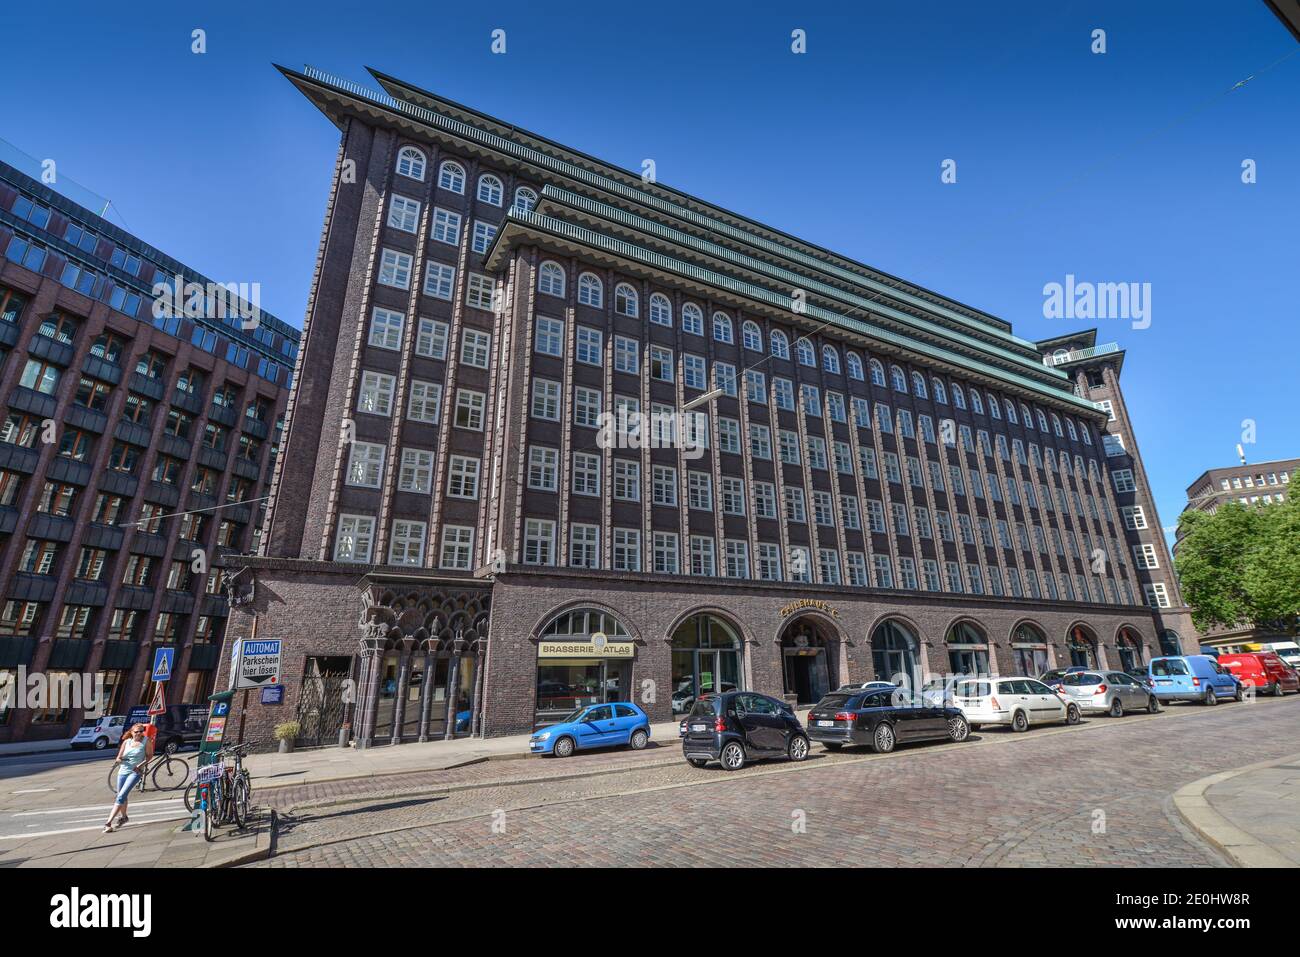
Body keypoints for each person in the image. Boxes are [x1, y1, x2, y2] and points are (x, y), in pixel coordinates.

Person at [104, 723, 152, 832]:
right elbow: (118, 757)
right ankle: (124, 817)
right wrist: (120, 760)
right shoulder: (127, 742)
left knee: (120, 796)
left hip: (135, 772)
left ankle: (108, 823)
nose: (139, 733)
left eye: (141, 731)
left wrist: (140, 765)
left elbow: (149, 756)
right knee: (122, 795)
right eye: (137, 732)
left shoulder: (146, 741)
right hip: (123, 771)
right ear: (131, 732)